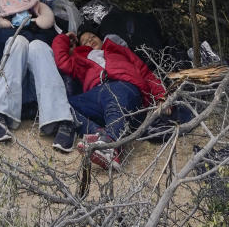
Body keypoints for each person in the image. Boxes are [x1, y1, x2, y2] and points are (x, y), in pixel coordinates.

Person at [52, 24, 165, 168]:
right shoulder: (80, 59)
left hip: (125, 87)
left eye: (93, 37)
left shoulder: (119, 51)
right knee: (63, 104)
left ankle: (109, 145)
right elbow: (61, 61)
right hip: (96, 94)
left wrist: (162, 95)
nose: (90, 40)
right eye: (85, 41)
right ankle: (100, 134)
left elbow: (146, 74)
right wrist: (64, 38)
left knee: (115, 96)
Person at [0, 0, 75, 152]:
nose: (21, 14)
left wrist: (43, 23)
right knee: (17, 42)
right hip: (12, 97)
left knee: (38, 46)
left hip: (40, 100)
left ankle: (62, 119)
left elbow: (60, 51)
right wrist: (14, 28)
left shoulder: (47, 30)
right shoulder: (2, 32)